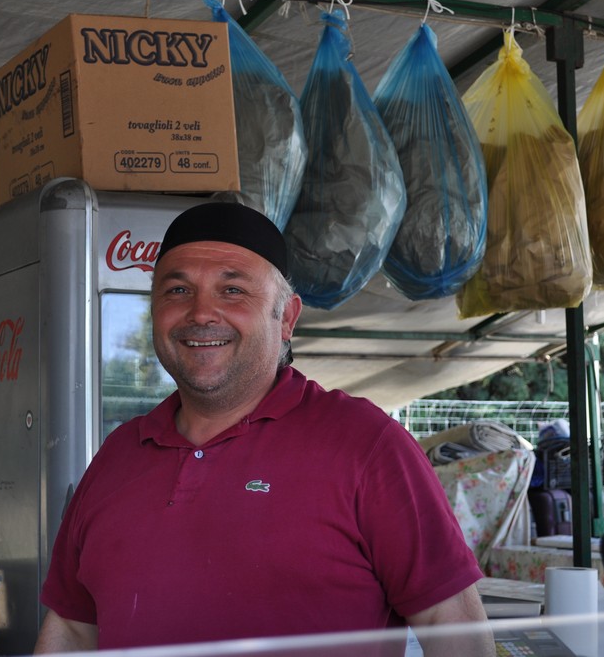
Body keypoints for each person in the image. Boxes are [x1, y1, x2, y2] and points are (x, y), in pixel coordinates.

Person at [33, 202, 492, 655]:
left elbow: (450, 624)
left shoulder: (366, 445)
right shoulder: (118, 455)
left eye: (232, 291)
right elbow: (74, 628)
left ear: (287, 318)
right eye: (177, 291)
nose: (201, 313)